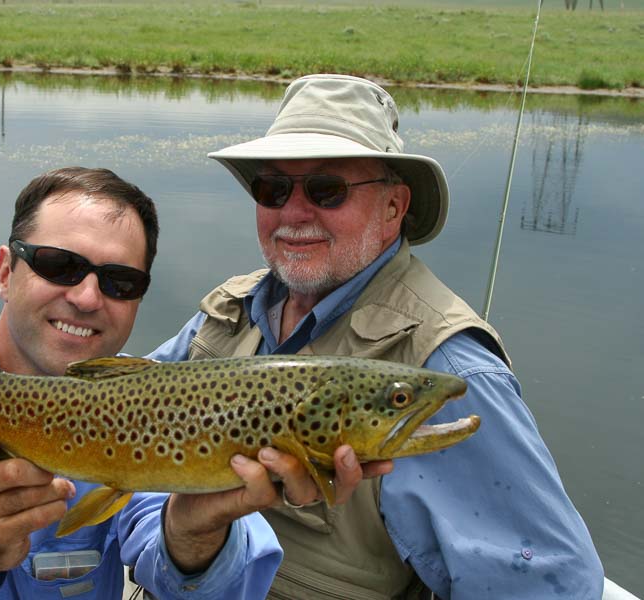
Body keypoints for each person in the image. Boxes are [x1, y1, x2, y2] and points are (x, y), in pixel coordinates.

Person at [0, 166, 379, 600]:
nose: (85, 296)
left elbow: (180, 564)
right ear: (6, 271)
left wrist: (195, 532)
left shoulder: (145, 403)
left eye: (120, 281)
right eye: (59, 265)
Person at [148, 74, 605, 599]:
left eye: (327, 189)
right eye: (273, 188)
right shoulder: (232, 307)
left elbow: (547, 587)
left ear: (394, 209)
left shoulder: (446, 369)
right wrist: (185, 530)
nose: (294, 211)